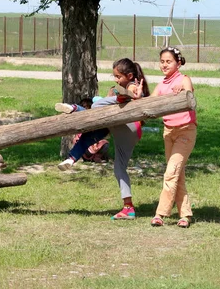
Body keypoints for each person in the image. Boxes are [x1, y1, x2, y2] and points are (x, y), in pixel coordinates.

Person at [56, 58, 150, 220]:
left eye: (118, 76)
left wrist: (128, 96)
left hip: (127, 126)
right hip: (128, 130)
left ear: (128, 75)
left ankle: (75, 108)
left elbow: (132, 94)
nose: (116, 79)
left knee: (96, 106)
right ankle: (128, 208)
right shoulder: (122, 87)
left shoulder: (131, 85)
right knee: (118, 167)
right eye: (114, 76)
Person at [149, 47, 197, 228]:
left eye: (168, 61)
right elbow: (150, 103)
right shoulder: (161, 85)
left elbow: (189, 92)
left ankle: (160, 213)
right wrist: (138, 96)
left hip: (185, 131)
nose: (164, 65)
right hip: (168, 132)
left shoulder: (184, 79)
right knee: (177, 174)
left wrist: (183, 90)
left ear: (178, 63)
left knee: (171, 173)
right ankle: (185, 215)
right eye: (162, 61)